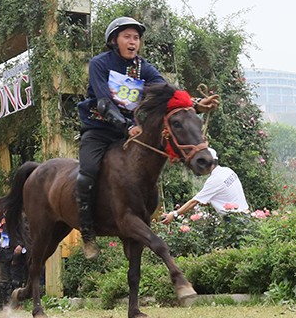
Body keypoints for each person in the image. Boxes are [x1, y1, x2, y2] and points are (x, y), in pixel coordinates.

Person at [76, 16, 218, 259]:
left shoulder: (143, 68)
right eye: (127, 37)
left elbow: (169, 92)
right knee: (87, 172)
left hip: (132, 131)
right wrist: (124, 126)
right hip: (99, 130)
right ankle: (87, 232)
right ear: (114, 40)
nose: (133, 42)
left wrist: (195, 104)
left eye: (136, 38)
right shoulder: (100, 63)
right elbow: (102, 102)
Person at [161, 148, 248, 223]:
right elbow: (227, 193)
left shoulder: (214, 180)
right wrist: (209, 200)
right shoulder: (227, 171)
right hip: (245, 215)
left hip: (234, 220)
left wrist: (174, 214)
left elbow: (193, 202)